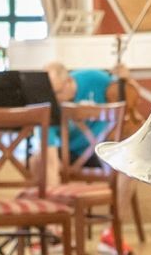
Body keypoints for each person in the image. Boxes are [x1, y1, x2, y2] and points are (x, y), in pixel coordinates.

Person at [45, 61, 135, 254]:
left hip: (102, 149)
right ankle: (54, 229)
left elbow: (126, 91)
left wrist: (126, 78)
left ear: (68, 82)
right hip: (70, 153)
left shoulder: (93, 78)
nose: (54, 98)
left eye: (57, 93)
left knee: (130, 166)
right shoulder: (48, 102)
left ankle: (112, 234)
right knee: (38, 160)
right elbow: (50, 156)